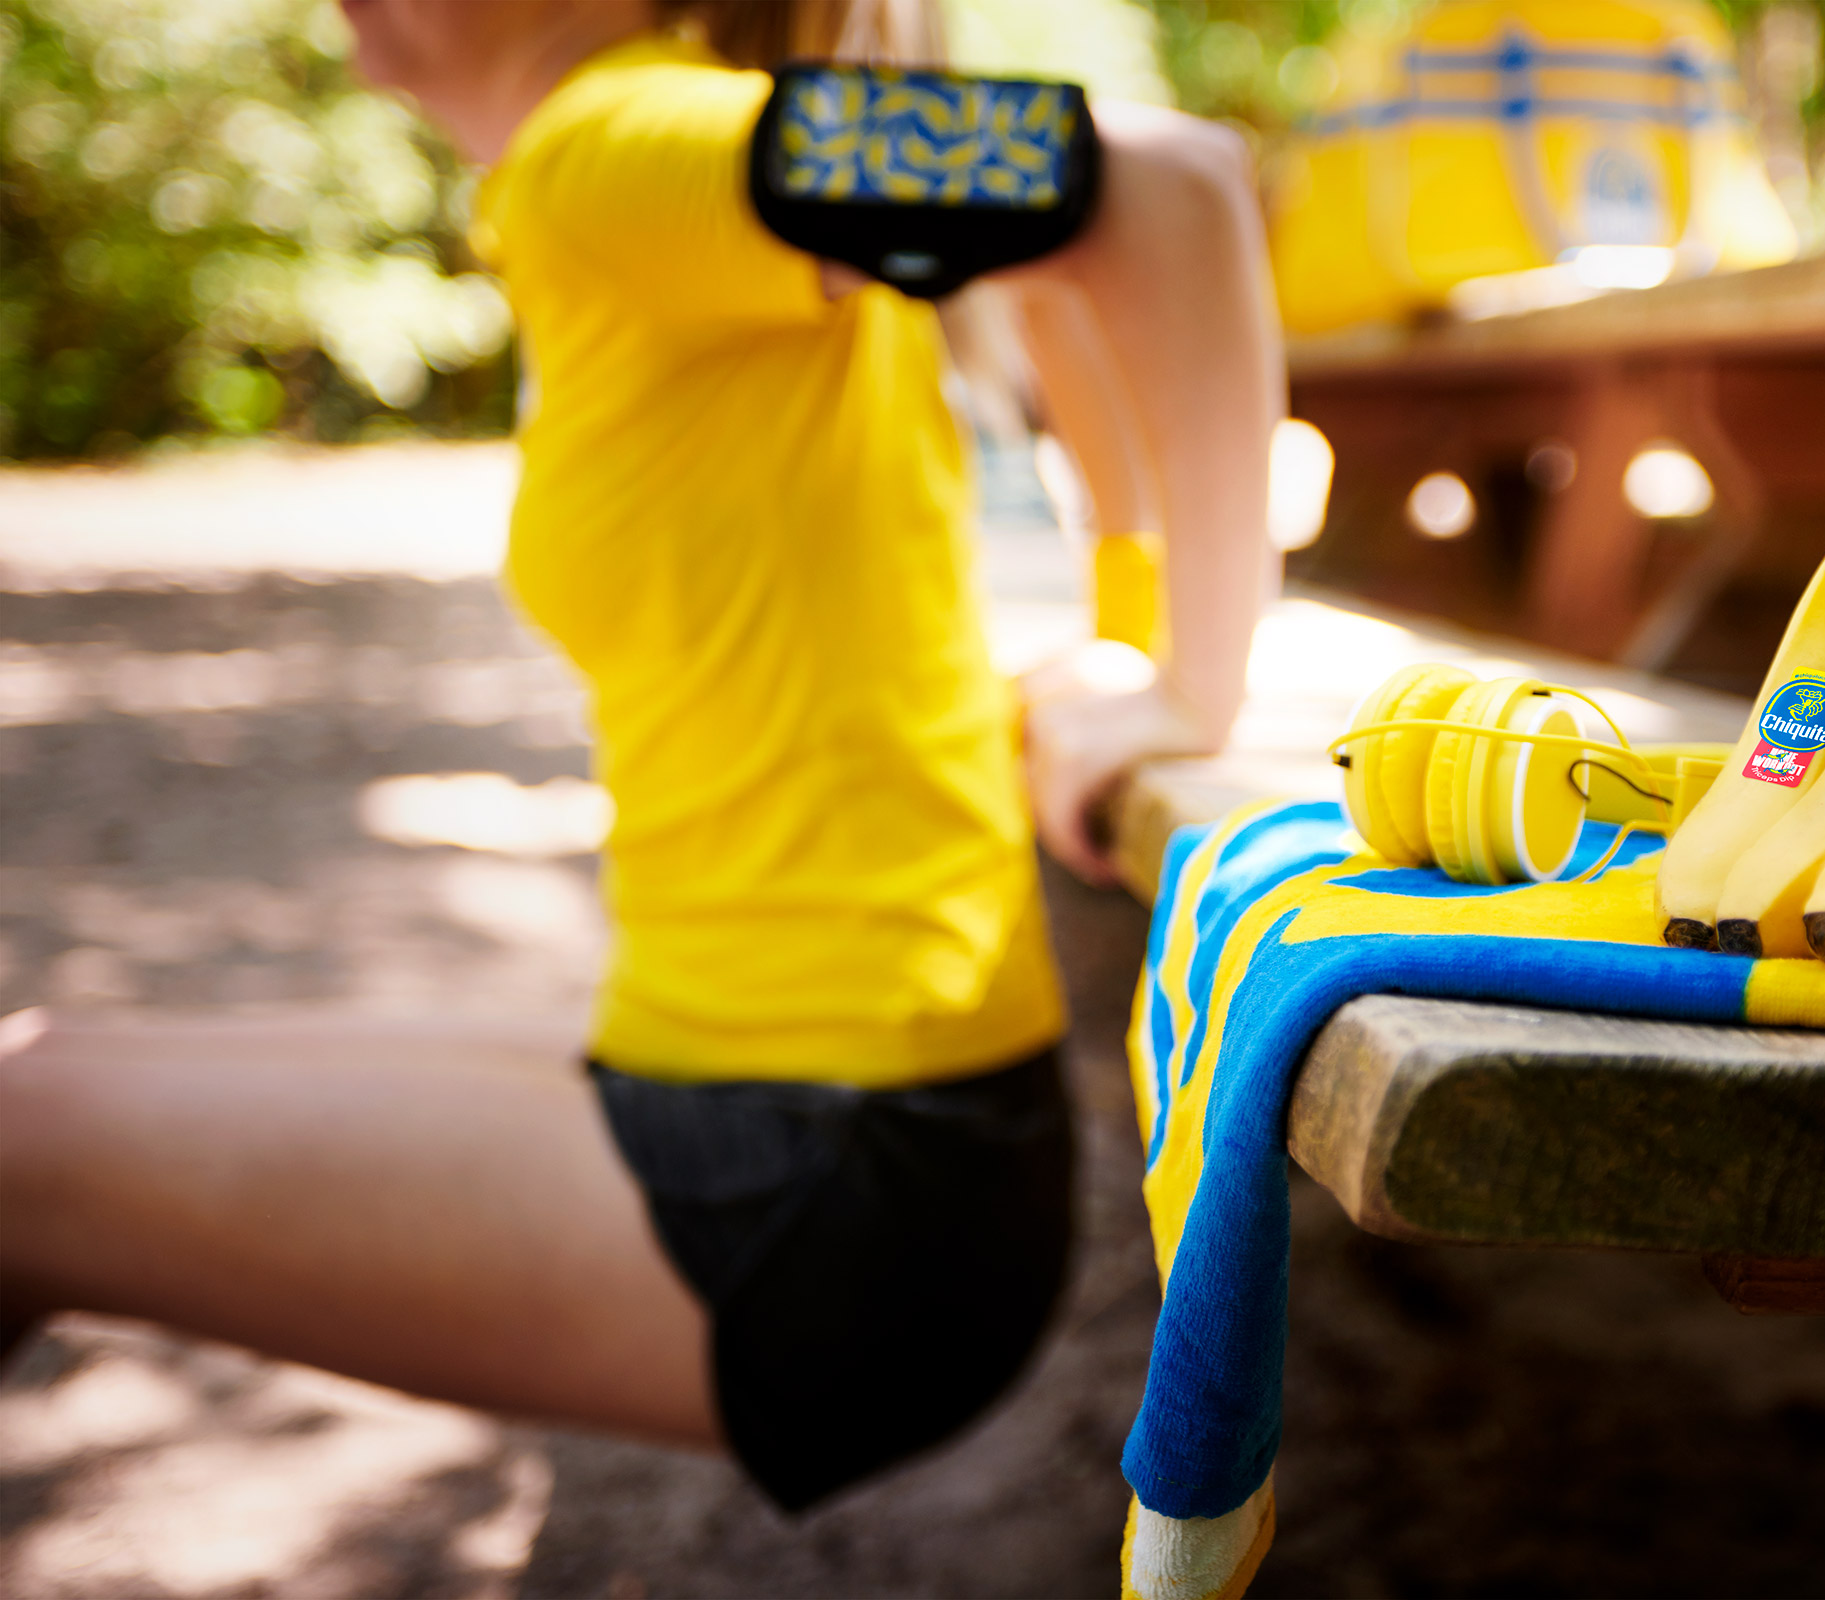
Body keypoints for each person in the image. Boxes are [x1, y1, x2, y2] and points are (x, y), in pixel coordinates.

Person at [0, 0, 1278, 1515]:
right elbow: (1051, 278)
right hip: (782, 1092)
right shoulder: (641, 164)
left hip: (836, 1175)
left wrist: (1188, 687)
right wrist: (1123, 628)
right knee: (34, 1079)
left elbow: (1165, 187)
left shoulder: (615, 148)